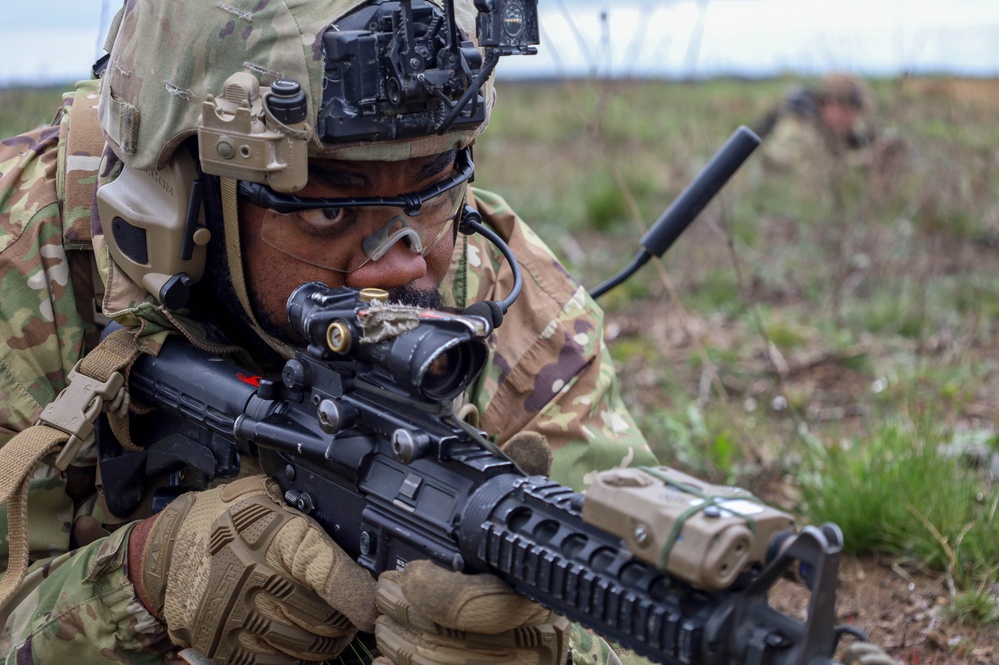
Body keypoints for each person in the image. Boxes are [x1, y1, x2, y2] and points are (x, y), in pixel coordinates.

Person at [0, 0, 658, 663]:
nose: (402, 261)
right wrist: (141, 584)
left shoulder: (505, 302)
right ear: (180, 199)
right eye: (331, 208)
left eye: (430, 190)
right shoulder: (21, 261)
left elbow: (639, 614)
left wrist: (554, 650)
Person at [755, 72, 906, 178]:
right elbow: (807, 170)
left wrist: (886, 147)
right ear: (825, 104)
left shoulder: (850, 126)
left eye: (851, 108)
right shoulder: (798, 126)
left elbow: (875, 137)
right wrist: (861, 160)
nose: (844, 115)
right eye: (839, 107)